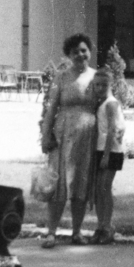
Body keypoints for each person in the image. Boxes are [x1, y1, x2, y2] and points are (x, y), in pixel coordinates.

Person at [39, 32, 98, 248]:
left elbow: (107, 106)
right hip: (63, 135)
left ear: (89, 52)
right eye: (75, 52)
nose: (80, 55)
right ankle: (51, 232)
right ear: (69, 55)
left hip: (88, 136)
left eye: (84, 50)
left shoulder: (96, 76)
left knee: (81, 182)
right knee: (59, 183)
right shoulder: (61, 77)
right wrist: (45, 135)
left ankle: (77, 231)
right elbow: (51, 108)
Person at [87, 67, 126, 244]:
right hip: (100, 148)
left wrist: (106, 155)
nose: (100, 88)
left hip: (111, 150)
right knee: (98, 190)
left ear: (110, 85)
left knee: (104, 188)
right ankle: (100, 225)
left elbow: (113, 129)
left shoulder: (111, 103)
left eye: (104, 84)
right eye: (97, 85)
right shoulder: (101, 103)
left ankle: (107, 226)